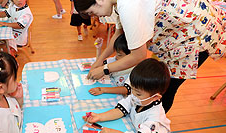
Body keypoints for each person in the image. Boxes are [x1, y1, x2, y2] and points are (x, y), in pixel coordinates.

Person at [74, 0, 226, 113]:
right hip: (180, 31)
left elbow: (138, 56)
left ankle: (153, 132)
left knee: (162, 88)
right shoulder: (117, 4)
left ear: (99, 0)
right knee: (155, 83)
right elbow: (118, 34)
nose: (95, 17)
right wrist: (99, 61)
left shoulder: (128, 7)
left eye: (92, 12)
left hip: (194, 35)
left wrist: (104, 69)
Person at [83, 58, 171, 133]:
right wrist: (99, 117)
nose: (132, 94)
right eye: (132, 89)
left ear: (155, 97)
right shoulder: (139, 98)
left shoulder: (154, 118)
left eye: (138, 93)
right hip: (134, 131)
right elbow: (121, 110)